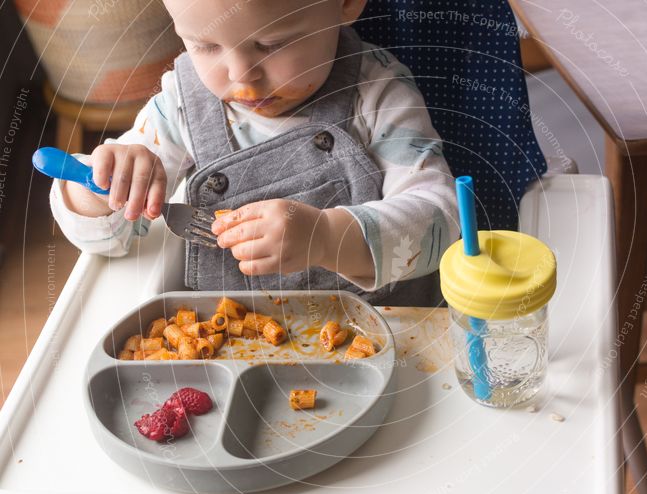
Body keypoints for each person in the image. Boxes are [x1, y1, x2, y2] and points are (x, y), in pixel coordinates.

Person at [50, 0, 458, 305]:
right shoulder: (178, 107)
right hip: (234, 348)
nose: (240, 74)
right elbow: (111, 239)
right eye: (205, 45)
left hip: (391, 340)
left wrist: (328, 238)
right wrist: (101, 188)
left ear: (346, 3)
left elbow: (442, 220)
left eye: (271, 43)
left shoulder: (379, 95)